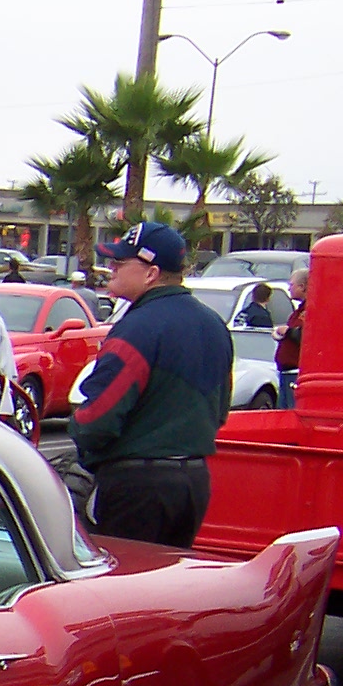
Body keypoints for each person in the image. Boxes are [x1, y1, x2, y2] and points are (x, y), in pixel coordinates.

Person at [71, 221, 232, 547]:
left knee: (121, 588)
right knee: (162, 588)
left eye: (120, 263)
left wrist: (79, 437)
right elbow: (220, 412)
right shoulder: (214, 324)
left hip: (138, 487)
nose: (111, 269)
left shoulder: (138, 327)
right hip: (193, 483)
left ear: (151, 273)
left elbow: (97, 418)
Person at [274, 266, 308, 409]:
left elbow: (306, 336)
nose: (289, 289)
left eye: (291, 285)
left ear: (302, 286)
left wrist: (288, 332)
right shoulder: (299, 310)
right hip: (286, 373)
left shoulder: (310, 310)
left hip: (295, 375)